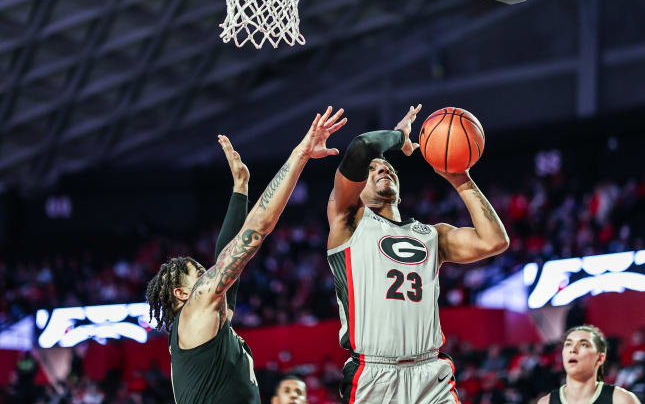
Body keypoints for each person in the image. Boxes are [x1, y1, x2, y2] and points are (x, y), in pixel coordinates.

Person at [146, 107, 347, 404]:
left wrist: (240, 189)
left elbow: (226, 259)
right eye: (201, 275)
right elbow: (257, 229)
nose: (209, 276)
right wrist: (300, 154)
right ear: (182, 292)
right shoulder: (196, 308)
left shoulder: (207, 326)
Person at [326, 104, 509, 403]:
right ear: (355, 189)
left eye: (387, 167)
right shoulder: (348, 221)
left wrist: (460, 178)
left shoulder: (432, 234)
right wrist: (399, 137)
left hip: (430, 374)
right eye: (371, 170)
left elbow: (494, 241)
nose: (382, 168)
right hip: (374, 373)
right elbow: (361, 147)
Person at [538, 325, 641, 404]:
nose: (573, 350)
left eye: (583, 345)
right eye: (568, 344)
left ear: (600, 358)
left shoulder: (622, 400)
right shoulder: (546, 402)